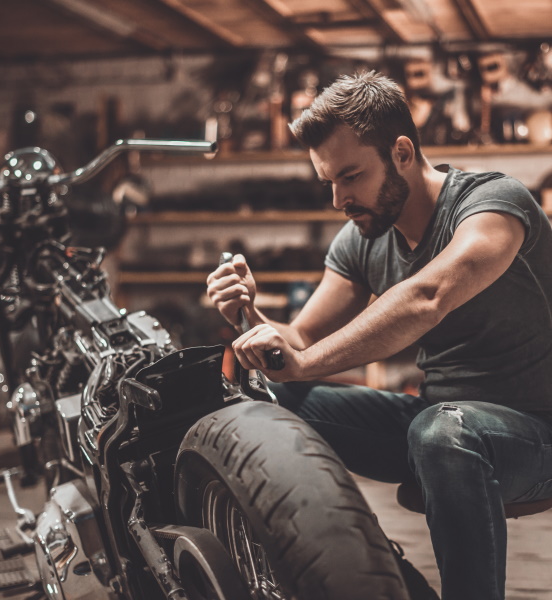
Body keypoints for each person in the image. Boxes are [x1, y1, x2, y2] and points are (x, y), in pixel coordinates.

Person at [206, 70, 552, 600]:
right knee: (272, 396)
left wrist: (302, 360)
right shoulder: (361, 237)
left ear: (403, 153)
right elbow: (297, 341)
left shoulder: (494, 204)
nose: (339, 198)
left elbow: (426, 298)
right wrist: (248, 318)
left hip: (534, 438)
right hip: (432, 427)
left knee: (443, 432)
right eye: (330, 183)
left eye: (351, 176)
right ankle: (341, 568)